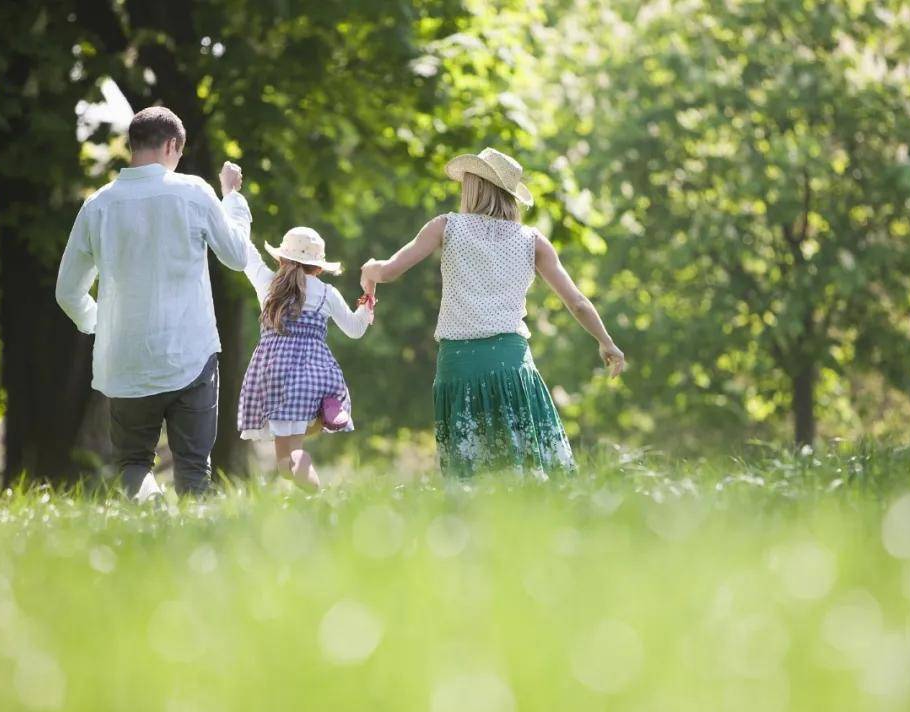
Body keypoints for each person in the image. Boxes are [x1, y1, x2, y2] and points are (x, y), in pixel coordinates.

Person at [360, 147, 625, 477]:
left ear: (473, 185)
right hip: (511, 365)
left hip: (459, 365)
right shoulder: (533, 241)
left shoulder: (446, 227)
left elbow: (388, 271)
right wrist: (606, 342)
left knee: (472, 475)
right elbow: (577, 302)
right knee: (528, 468)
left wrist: (370, 272)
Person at [55, 106, 252, 500]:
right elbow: (237, 255)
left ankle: (148, 522)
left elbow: (67, 292)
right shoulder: (194, 192)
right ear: (172, 145)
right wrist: (232, 198)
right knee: (195, 466)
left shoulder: (98, 205)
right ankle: (193, 551)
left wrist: (100, 324)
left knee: (133, 464)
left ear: (133, 145)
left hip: (124, 359)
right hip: (190, 354)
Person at [237, 227, 374, 489]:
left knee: (286, 463)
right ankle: (327, 408)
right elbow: (355, 330)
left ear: (280, 260)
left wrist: (232, 201)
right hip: (312, 378)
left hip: (275, 378)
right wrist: (367, 300)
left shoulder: (268, 285)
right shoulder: (326, 293)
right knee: (291, 459)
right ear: (319, 268)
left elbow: (247, 254)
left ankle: (319, 496)